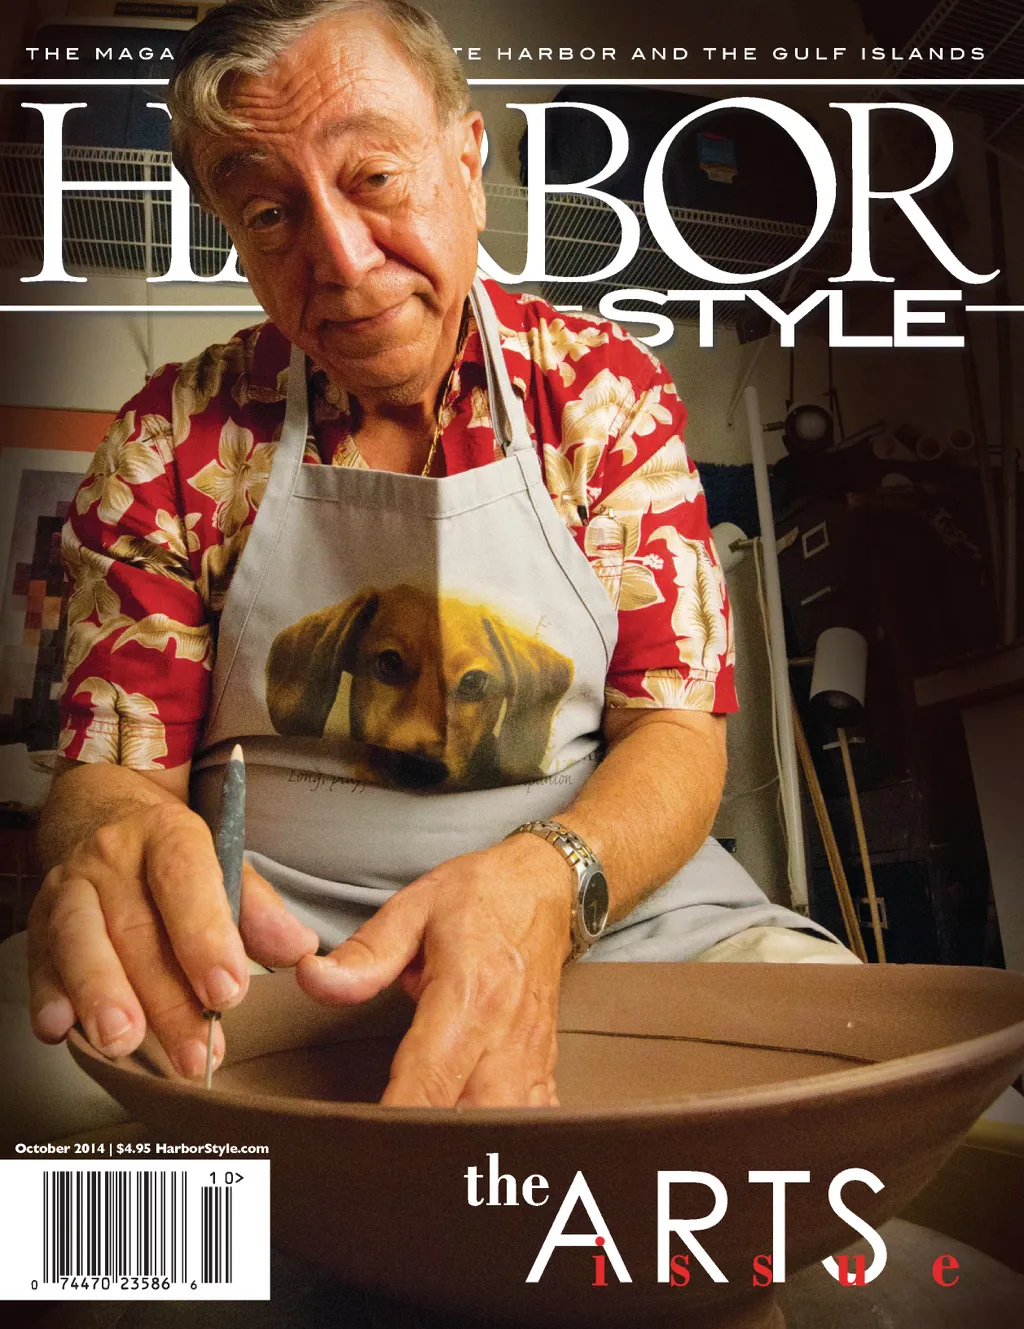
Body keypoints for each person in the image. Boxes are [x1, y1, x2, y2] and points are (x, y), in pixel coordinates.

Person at [9, 0, 857, 1127]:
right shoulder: (172, 440)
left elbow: (677, 736)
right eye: (270, 213)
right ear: (232, 238)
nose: (340, 259)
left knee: (857, 1082)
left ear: (465, 162)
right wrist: (104, 841)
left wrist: (549, 880)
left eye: (373, 177)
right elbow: (113, 778)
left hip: (606, 907)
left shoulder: (606, 398)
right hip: (262, 940)